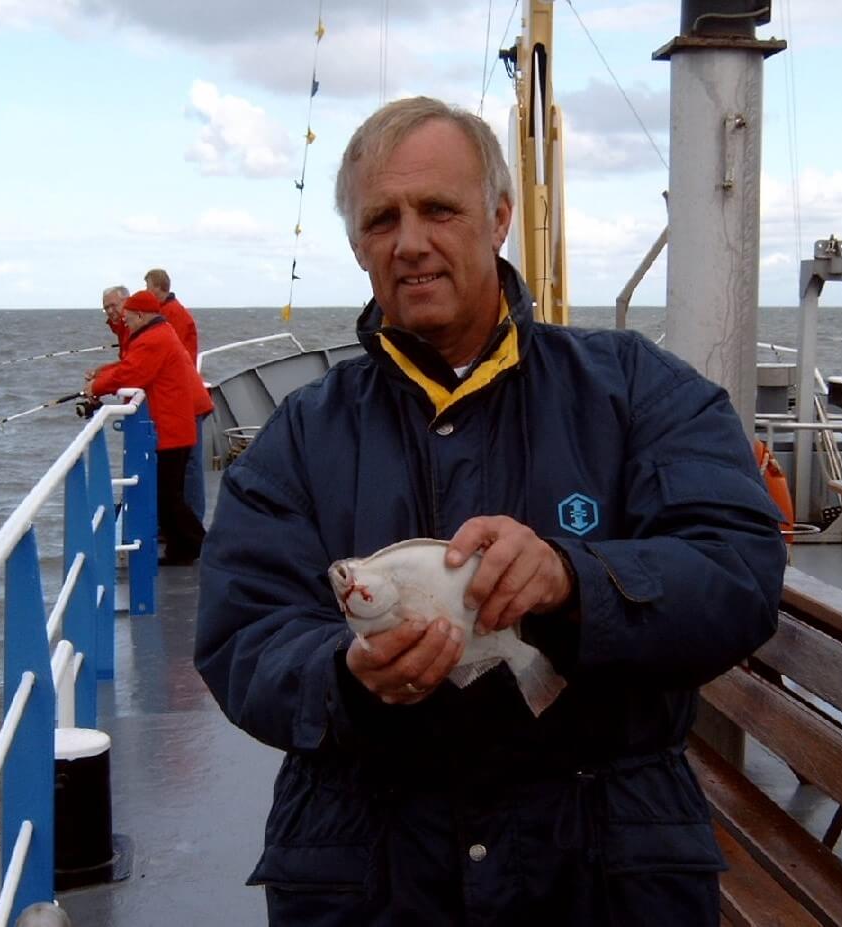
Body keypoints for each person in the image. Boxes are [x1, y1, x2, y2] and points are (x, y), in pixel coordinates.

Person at [194, 97, 788, 926]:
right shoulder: (301, 433)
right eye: (381, 218)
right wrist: (343, 678)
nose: (409, 241)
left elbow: (738, 571)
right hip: (373, 870)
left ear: (499, 217)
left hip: (601, 866)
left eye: (439, 209)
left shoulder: (637, 387)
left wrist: (576, 579)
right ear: (358, 242)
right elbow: (240, 634)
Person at [86, 289, 205, 566]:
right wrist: (104, 375)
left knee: (168, 496)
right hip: (174, 426)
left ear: (140, 315)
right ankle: (185, 549)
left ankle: (201, 545)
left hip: (172, 430)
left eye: (127, 316)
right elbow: (131, 366)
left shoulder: (154, 339)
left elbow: (132, 372)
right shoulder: (158, 334)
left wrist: (96, 386)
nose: (124, 321)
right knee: (168, 495)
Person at [144, 267, 208, 525]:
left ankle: (191, 520)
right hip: (185, 394)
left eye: (149, 288)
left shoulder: (172, 316)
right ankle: (181, 521)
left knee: (189, 465)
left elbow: (169, 358)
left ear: (159, 288)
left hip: (187, 398)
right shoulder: (169, 314)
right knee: (185, 465)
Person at [102, 285, 130, 358]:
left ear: (127, 301)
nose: (110, 311)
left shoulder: (134, 325)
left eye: (113, 305)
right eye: (106, 308)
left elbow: (132, 363)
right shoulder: (120, 326)